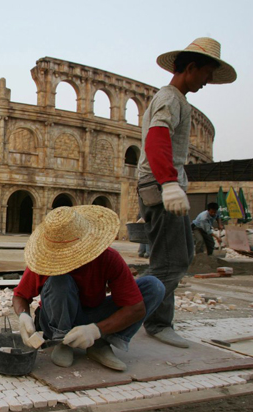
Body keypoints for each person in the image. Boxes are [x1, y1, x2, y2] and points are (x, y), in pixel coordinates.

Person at [136, 37, 236, 348]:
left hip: (163, 184)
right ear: (190, 68)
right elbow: (156, 138)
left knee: (181, 256)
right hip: (159, 185)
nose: (207, 82)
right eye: (206, 74)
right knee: (170, 261)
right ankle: (143, 318)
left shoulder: (174, 98)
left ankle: (144, 313)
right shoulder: (171, 99)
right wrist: (168, 183)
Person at [14, 206, 165, 371]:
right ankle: (62, 341)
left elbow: (136, 308)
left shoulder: (108, 258)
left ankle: (101, 343)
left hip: (93, 315)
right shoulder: (45, 261)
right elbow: (20, 296)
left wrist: (96, 330)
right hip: (56, 319)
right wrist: (23, 315)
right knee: (59, 280)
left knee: (153, 287)